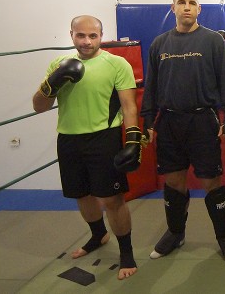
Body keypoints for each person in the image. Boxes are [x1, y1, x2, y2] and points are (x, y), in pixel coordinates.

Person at [140, 0, 225, 264]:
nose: (186, 7)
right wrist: (148, 119)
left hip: (201, 120)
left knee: (211, 181)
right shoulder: (159, 44)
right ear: (173, 7)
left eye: (191, 3)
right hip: (169, 121)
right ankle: (175, 233)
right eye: (181, 2)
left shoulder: (212, 41)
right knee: (173, 181)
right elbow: (151, 85)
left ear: (199, 9)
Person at [32, 15, 139, 280]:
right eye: (81, 35)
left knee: (112, 199)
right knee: (82, 195)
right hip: (69, 138)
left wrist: (133, 140)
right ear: (71, 35)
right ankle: (98, 235)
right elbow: (39, 106)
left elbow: (129, 106)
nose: (87, 41)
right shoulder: (59, 64)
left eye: (93, 36)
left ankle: (126, 253)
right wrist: (52, 82)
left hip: (103, 138)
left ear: (101, 36)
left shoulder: (117, 63)